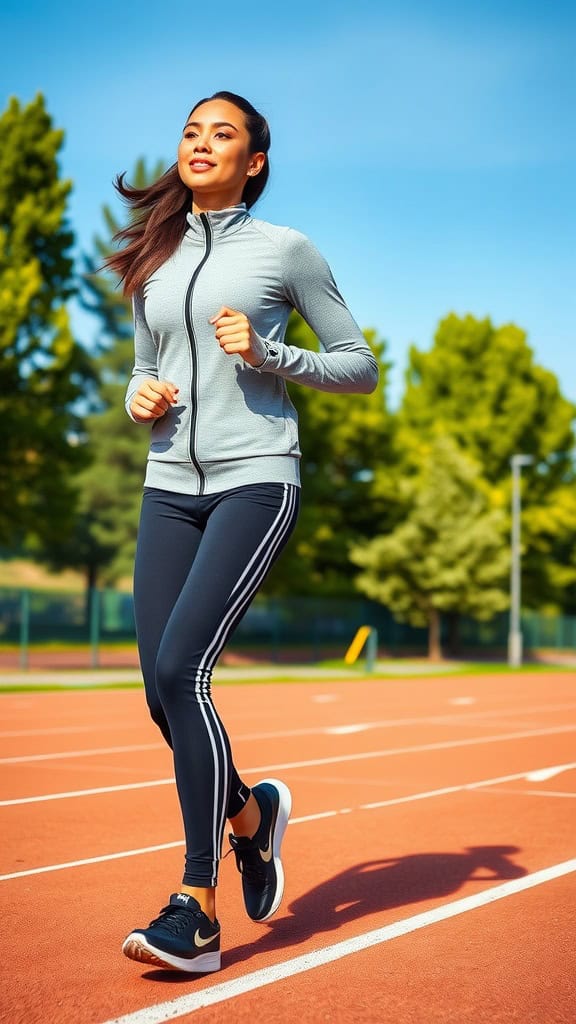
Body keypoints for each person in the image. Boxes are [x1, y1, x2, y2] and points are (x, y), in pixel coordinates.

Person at [105, 90, 378, 974]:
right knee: (158, 689)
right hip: (167, 486)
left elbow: (360, 365)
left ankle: (197, 906)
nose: (200, 143)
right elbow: (147, 368)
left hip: (255, 479)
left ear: (253, 160)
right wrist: (136, 397)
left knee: (185, 670)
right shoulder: (158, 252)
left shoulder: (284, 252)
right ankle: (253, 819)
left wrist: (270, 355)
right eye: (190, 131)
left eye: (221, 133)